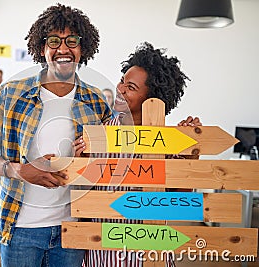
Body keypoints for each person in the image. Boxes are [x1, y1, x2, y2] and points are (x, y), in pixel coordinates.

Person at [0, 4, 112, 267]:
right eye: (54, 41)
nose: (63, 49)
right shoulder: (9, 94)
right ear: (41, 48)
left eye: (72, 40)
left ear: (83, 48)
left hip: (72, 229)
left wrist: (90, 155)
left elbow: (111, 159)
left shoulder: (96, 101)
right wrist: (18, 170)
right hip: (20, 228)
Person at [74, 42, 201, 267]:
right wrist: (78, 161)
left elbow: (178, 202)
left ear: (152, 98)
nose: (120, 89)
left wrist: (189, 155)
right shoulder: (97, 135)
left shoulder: (168, 141)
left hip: (148, 256)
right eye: (122, 81)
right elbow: (81, 196)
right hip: (100, 254)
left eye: (130, 87)